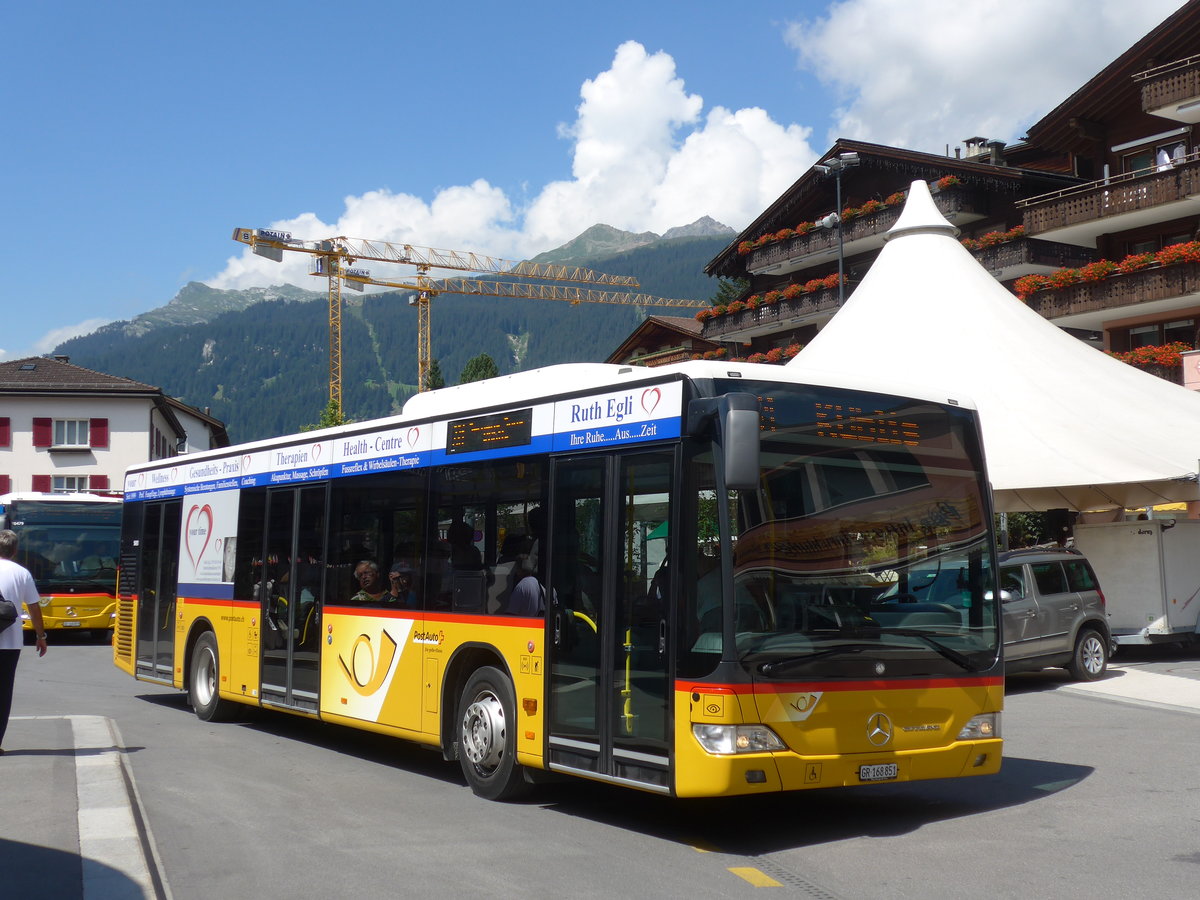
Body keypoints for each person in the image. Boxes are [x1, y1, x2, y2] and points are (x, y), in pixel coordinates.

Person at [1, 529, 49, 754]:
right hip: (10, 642)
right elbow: (34, 607)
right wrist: (40, 636)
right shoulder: (22, 573)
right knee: (4, 692)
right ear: (15, 550)